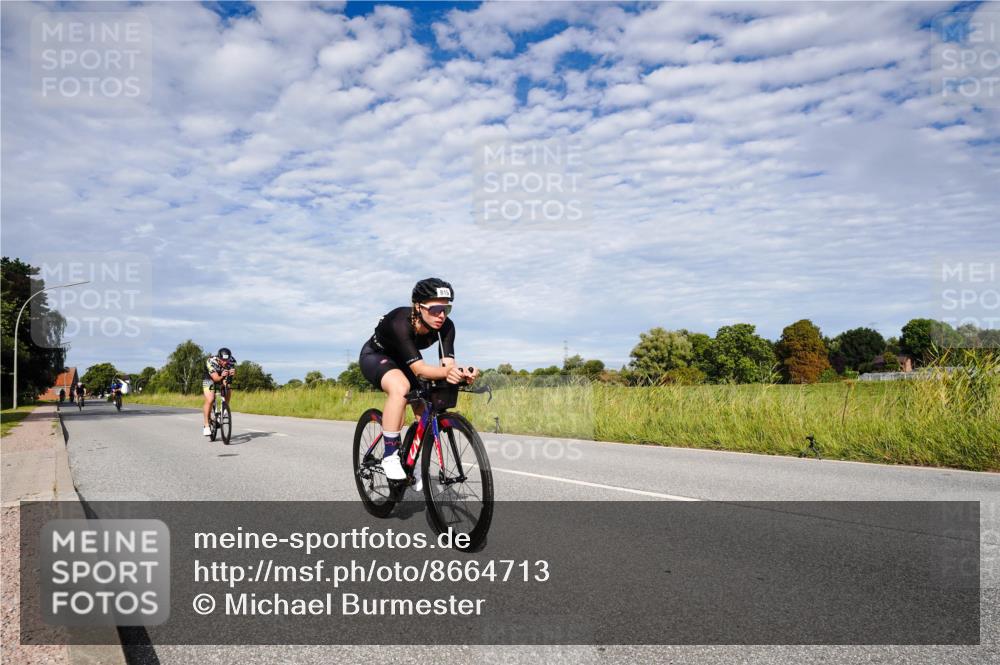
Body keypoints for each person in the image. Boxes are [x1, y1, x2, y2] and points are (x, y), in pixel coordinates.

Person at [358, 278, 479, 483]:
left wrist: (460, 373)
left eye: (446, 309)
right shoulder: (400, 322)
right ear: (418, 306)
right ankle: (390, 456)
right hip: (376, 356)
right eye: (435, 309)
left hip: (404, 360)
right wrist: (448, 372)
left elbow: (447, 365)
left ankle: (410, 463)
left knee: (424, 411)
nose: (441, 315)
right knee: (401, 388)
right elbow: (420, 370)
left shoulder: (446, 327)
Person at [202, 348, 236, 436]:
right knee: (210, 399)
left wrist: (232, 375)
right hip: (210, 378)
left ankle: (224, 408)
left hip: (223, 375)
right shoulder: (211, 361)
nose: (225, 362)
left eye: (227, 360)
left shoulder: (231, 361)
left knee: (228, 387)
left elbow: (228, 379)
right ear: (218, 358)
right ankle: (206, 425)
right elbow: (216, 378)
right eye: (223, 360)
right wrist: (222, 376)